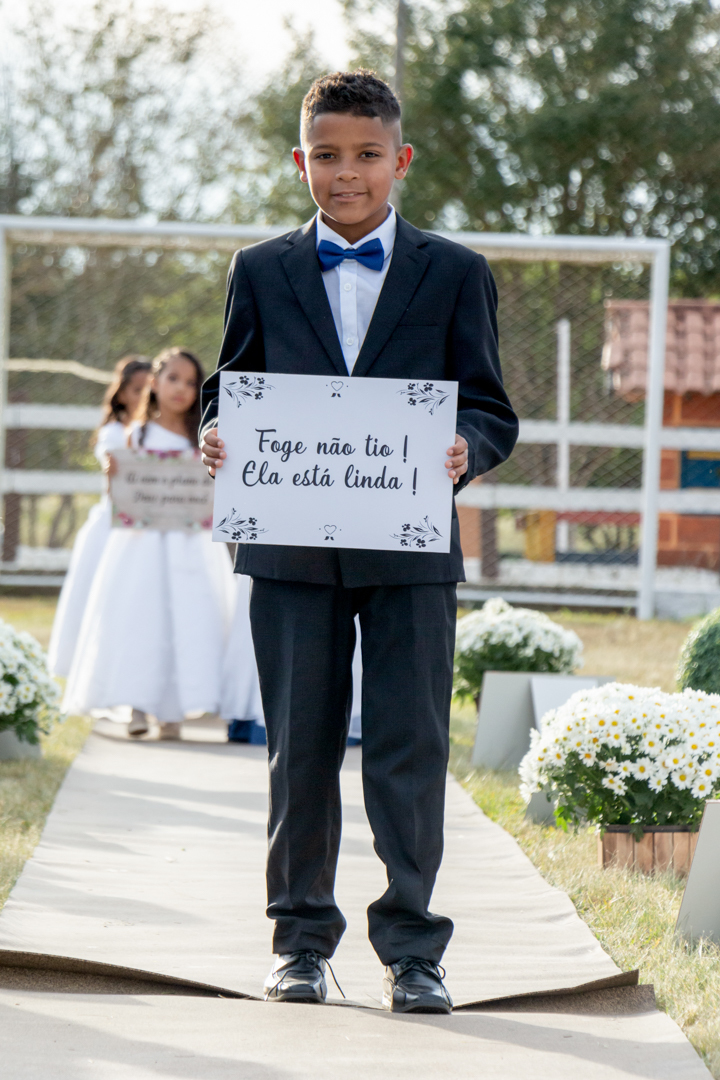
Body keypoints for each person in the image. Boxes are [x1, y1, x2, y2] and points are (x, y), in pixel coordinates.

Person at [200, 70, 518, 1013]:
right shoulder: (258, 269)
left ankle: (414, 950)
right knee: (297, 748)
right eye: (327, 157)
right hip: (291, 555)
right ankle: (299, 942)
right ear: (301, 161)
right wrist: (218, 429)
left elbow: (491, 405)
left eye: (367, 156)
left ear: (400, 160)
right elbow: (233, 385)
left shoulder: (455, 271)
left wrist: (469, 448)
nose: (347, 175)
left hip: (410, 551)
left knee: (408, 747)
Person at [64, 347, 235, 739]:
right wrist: (116, 472)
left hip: (189, 544)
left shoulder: (202, 437)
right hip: (141, 546)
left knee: (186, 619)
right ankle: (137, 706)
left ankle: (173, 710)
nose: (182, 389)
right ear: (155, 382)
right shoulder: (134, 434)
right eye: (173, 378)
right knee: (139, 617)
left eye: (191, 383)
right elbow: (120, 495)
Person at [48, 355, 151, 677]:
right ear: (121, 393)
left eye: (150, 389)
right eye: (136, 389)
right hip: (113, 526)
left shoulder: (162, 431)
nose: (143, 397)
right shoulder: (114, 433)